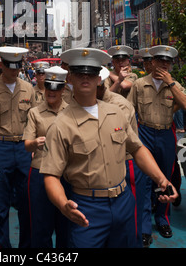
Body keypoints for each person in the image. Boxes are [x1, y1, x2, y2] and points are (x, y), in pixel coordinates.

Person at [40, 47, 178, 249]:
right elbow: (51, 175)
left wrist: (162, 180)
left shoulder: (116, 112)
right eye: (79, 73)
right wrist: (63, 205)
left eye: (91, 73)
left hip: (123, 201)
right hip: (87, 206)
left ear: (99, 79)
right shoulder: (61, 125)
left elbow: (137, 149)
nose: (85, 78)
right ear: (69, 79)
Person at [0, 46, 36, 248]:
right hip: (0, 146)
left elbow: (34, 121)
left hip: (24, 148)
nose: (14, 71)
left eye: (17, 67)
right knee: (0, 205)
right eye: (10, 67)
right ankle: (4, 250)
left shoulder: (28, 88)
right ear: (0, 64)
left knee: (26, 203)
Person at [128, 45, 186, 246]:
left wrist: (171, 84)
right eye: (159, 60)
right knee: (143, 181)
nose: (163, 64)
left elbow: (185, 105)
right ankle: (144, 226)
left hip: (165, 135)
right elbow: (128, 111)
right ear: (151, 62)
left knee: (166, 179)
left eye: (167, 62)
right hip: (144, 133)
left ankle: (162, 220)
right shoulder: (139, 84)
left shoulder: (175, 84)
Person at [97, 66, 146, 248]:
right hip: (99, 168)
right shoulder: (82, 102)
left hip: (125, 161)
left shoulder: (120, 105)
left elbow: (127, 144)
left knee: (130, 218)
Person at [23, 66, 69, 247]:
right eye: (49, 87)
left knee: (66, 226)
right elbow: (26, 145)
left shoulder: (72, 111)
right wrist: (35, 143)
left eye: (56, 88)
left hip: (66, 174)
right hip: (40, 172)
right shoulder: (35, 113)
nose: (52, 92)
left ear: (63, 89)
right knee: (41, 226)